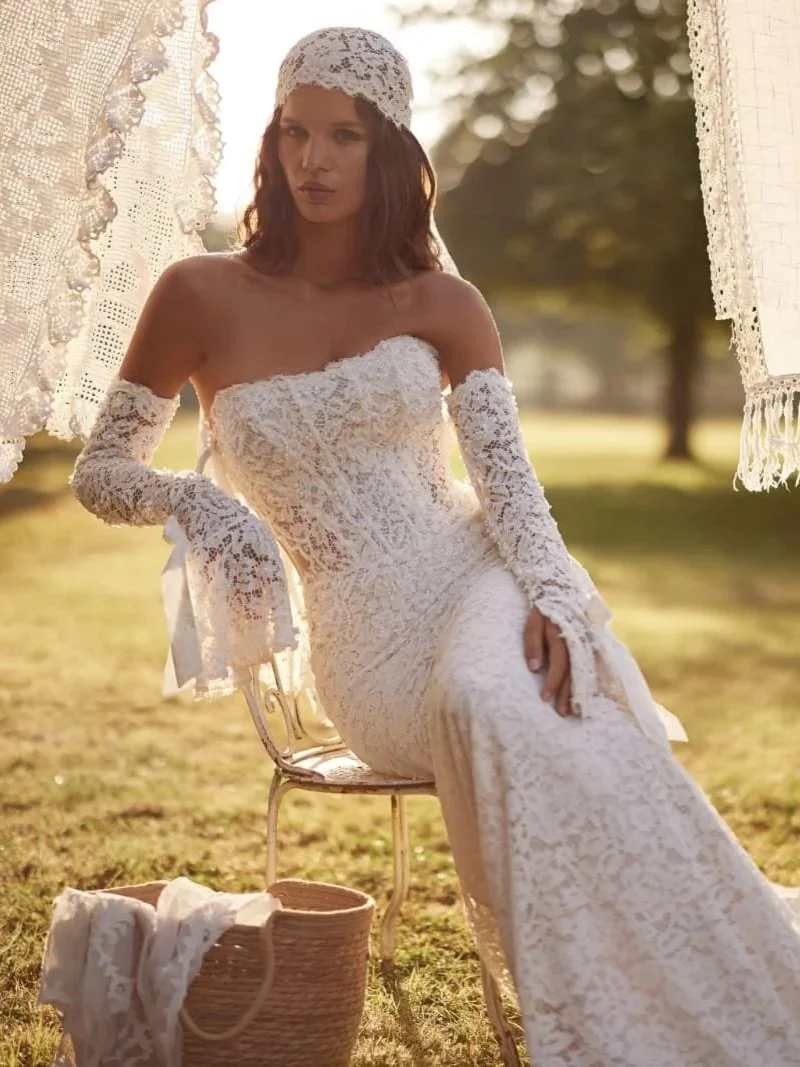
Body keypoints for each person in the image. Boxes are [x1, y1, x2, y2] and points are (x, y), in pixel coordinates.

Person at [69, 25, 800, 1067]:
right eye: (293, 132)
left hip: (478, 578)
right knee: (482, 704)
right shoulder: (198, 292)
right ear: (270, 145)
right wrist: (214, 509)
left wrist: (552, 593)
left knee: (518, 701)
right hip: (365, 647)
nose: (313, 159)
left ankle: (689, 970)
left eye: (344, 136)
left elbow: (507, 486)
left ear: (391, 152)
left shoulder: (441, 303)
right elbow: (100, 469)